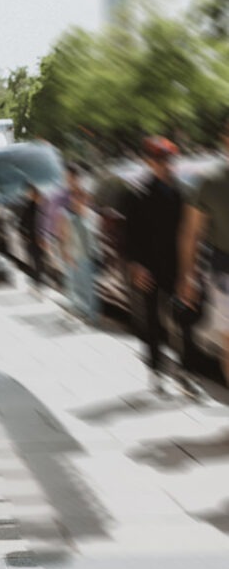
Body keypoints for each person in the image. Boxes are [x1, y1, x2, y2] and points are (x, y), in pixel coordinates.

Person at [124, 136, 201, 397]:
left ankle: (187, 373)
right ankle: (156, 371)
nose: (164, 165)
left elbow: (191, 231)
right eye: (159, 160)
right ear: (149, 162)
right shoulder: (138, 195)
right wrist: (135, 266)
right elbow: (129, 235)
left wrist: (190, 269)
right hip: (150, 268)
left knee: (185, 320)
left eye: (168, 159)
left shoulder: (183, 193)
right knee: (153, 321)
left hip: (178, 266)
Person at [179, 114, 229, 387]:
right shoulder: (209, 180)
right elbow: (191, 233)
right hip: (225, 276)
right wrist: (187, 277)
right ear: (226, 139)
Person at [57, 164, 99, 324]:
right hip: (74, 255)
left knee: (88, 286)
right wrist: (64, 252)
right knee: (74, 284)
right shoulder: (66, 211)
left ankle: (90, 315)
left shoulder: (90, 213)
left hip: (87, 255)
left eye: (82, 197)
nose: (79, 199)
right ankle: (79, 310)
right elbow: (63, 234)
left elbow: (94, 235)